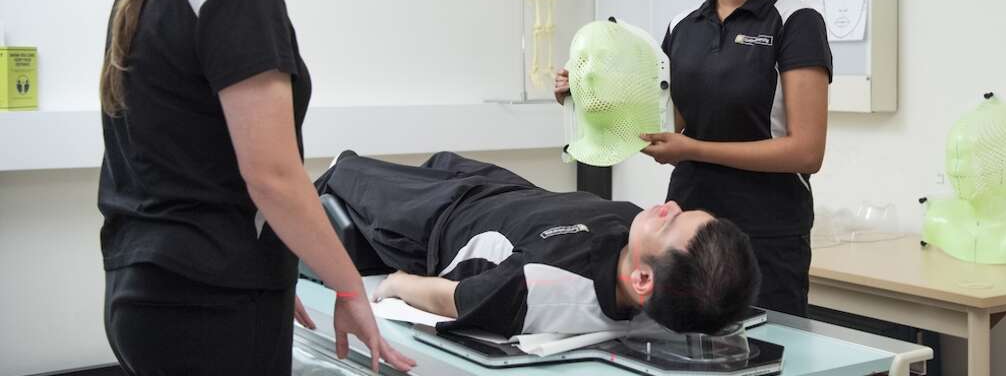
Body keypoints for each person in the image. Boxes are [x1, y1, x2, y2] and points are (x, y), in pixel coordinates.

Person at [97, 0, 412, 375]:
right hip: (206, 301)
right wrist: (350, 291)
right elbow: (272, 175)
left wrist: (265, 262)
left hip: (147, 288)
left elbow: (181, 149)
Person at [556, 0, 831, 316]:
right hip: (683, 235)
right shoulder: (684, 25)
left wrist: (694, 149)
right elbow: (665, 126)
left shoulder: (795, 21)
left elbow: (806, 152)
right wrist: (583, 96)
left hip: (765, 235)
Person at [316, 151, 761, 337]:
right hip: (502, 190)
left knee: (344, 171)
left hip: (436, 221)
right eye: (681, 213)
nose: (670, 206)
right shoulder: (652, 253)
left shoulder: (549, 289)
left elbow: (452, 298)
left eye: (671, 224)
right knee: (437, 160)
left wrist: (397, 283)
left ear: (643, 279)